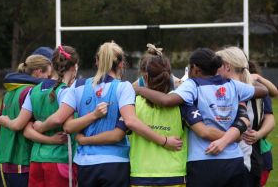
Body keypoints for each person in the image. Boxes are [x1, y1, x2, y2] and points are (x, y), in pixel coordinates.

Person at [33, 41, 182, 187]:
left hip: (86, 163)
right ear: (121, 64)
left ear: (97, 62)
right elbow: (129, 123)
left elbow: (67, 127)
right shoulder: (124, 88)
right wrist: (164, 140)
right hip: (115, 163)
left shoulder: (77, 87)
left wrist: (84, 139)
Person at [134, 48, 268, 187]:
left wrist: (140, 90)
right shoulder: (232, 84)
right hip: (234, 159)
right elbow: (263, 91)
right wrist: (251, 77)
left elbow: (166, 101)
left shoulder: (193, 85)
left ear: (195, 68)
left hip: (203, 160)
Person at [0, 45, 79, 187]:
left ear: (52, 65)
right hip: (60, 159)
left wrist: (5, 121)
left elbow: (23, 127)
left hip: (36, 160)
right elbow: (58, 119)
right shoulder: (66, 92)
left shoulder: (32, 91)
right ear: (74, 67)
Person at [216, 47, 276, 187]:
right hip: (233, 157)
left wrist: (258, 134)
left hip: (244, 156)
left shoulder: (254, 90)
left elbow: (269, 116)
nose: (215, 69)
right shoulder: (255, 88)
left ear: (227, 66)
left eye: (217, 65)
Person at [0, 55, 58, 187]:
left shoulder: (9, 93)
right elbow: (28, 129)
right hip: (22, 160)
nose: (49, 78)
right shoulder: (30, 92)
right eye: (48, 73)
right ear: (38, 72)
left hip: (5, 160)